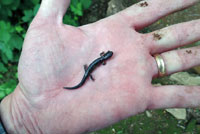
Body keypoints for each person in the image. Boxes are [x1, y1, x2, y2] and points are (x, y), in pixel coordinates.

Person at [0, 0, 200, 133]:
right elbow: (101, 60)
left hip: (90, 68)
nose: (108, 57)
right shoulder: (104, 59)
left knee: (87, 75)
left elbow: (102, 59)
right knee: (86, 77)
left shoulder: (104, 58)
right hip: (89, 70)